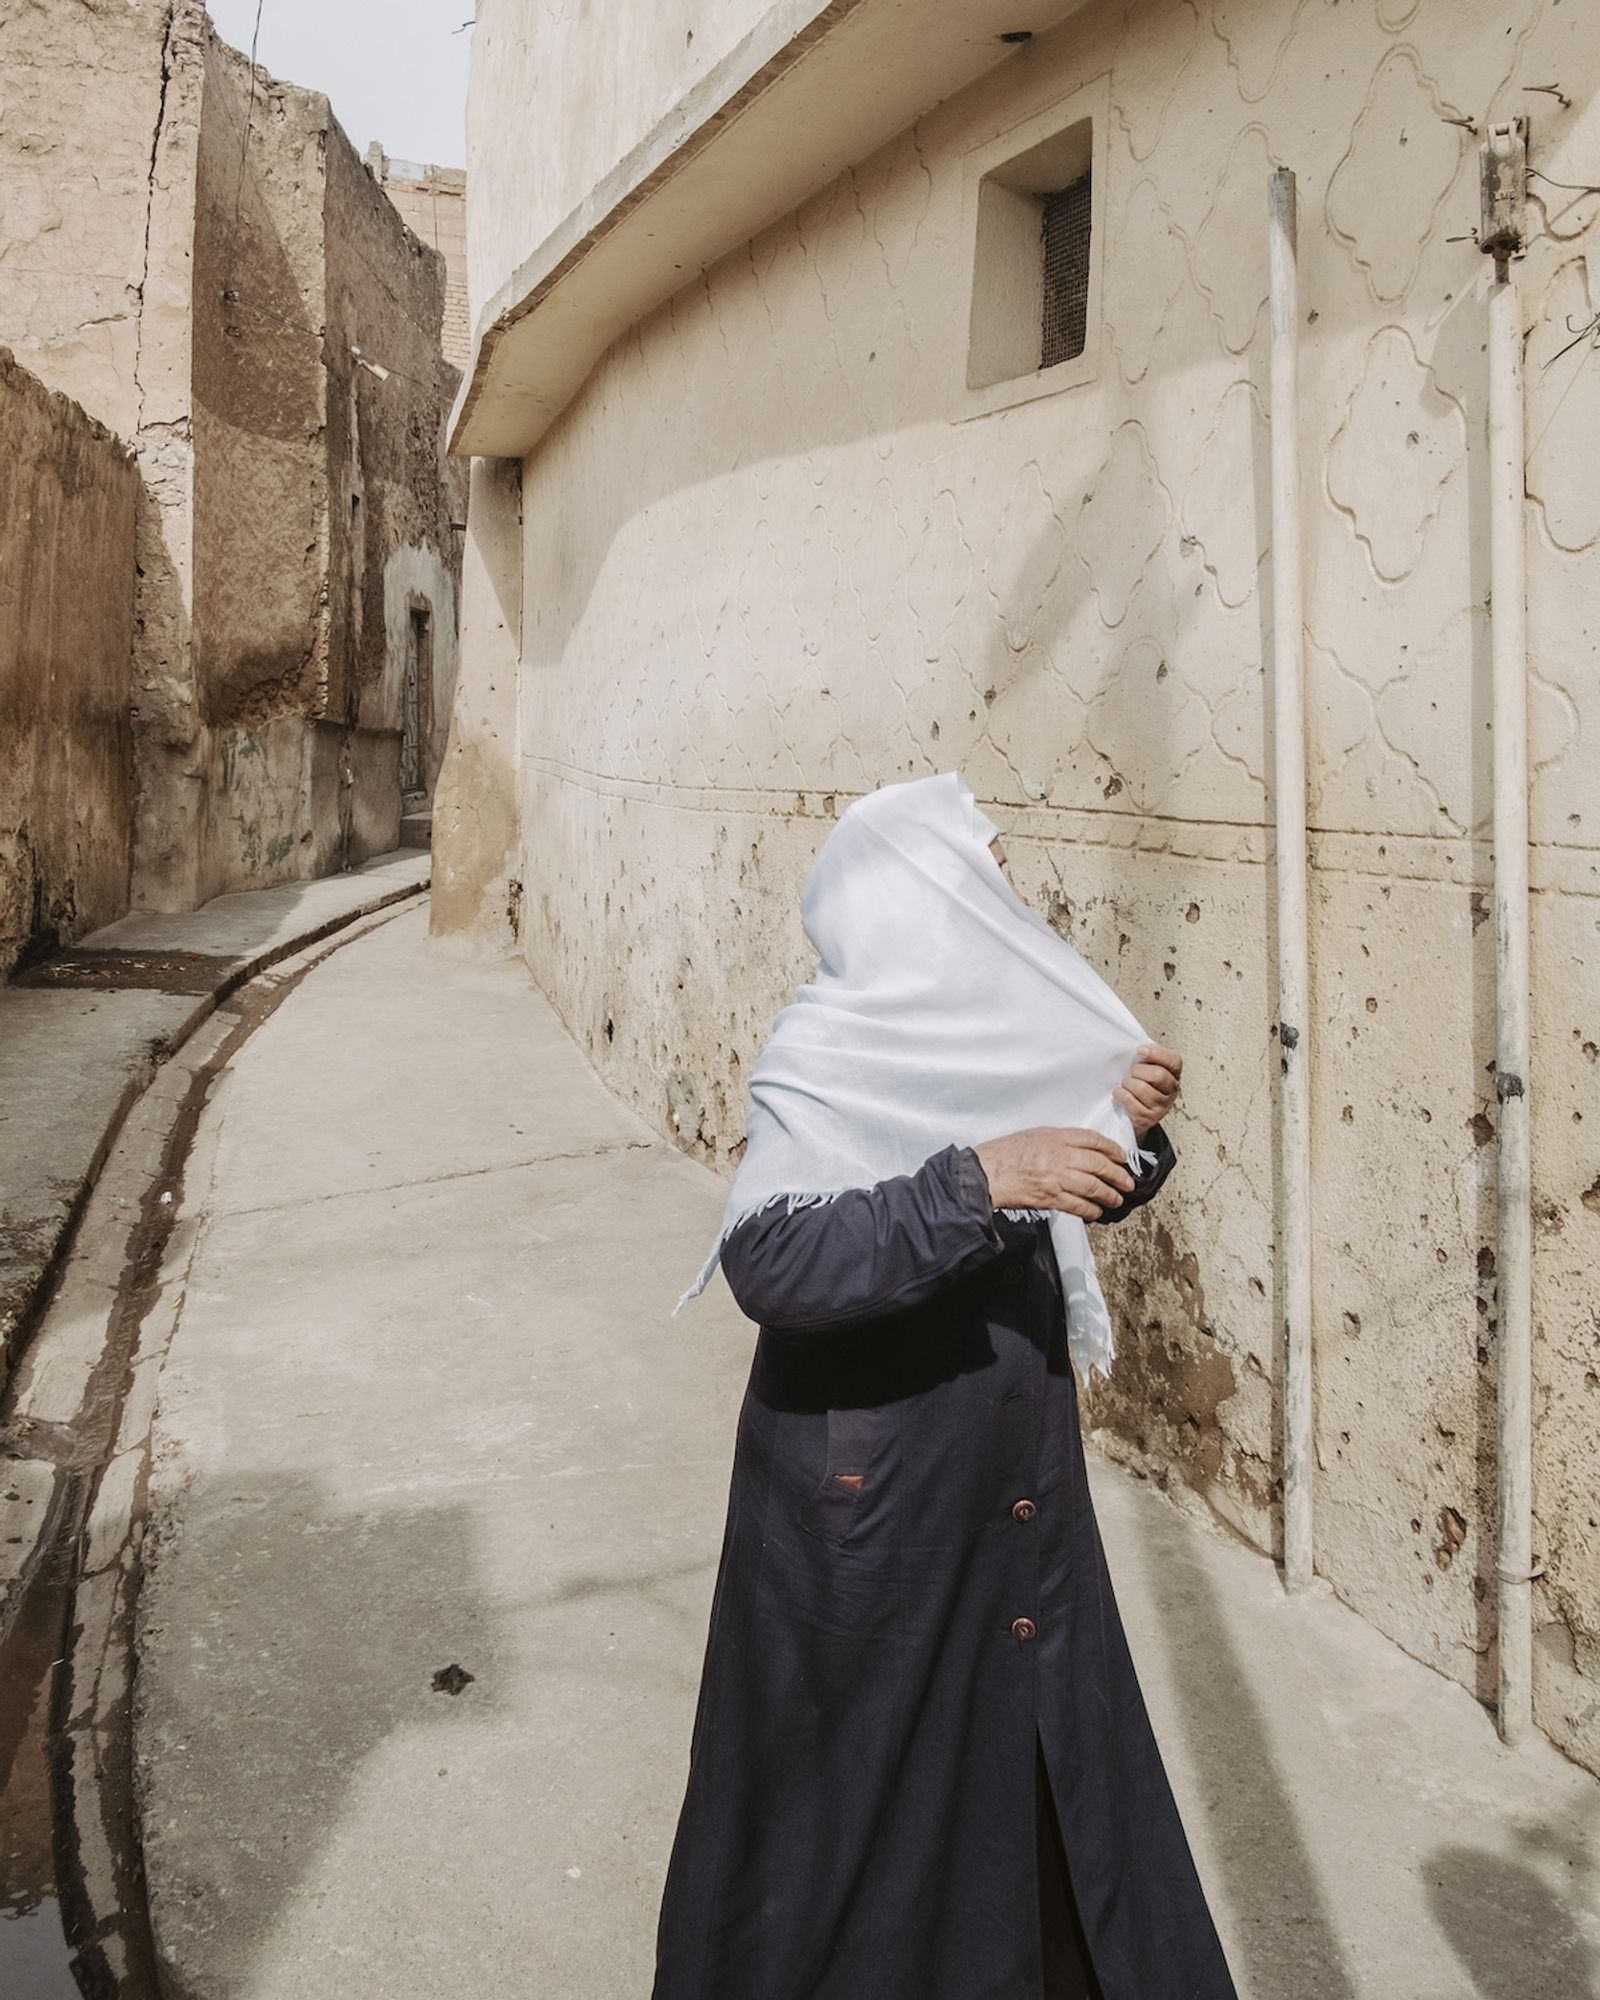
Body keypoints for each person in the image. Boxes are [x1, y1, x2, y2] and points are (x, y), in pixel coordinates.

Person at [656, 772, 1237, 2000]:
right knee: (852, 1840)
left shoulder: (995, 1031)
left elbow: (1070, 1181)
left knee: (1032, 1793)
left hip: (1009, 1489)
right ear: (915, 894)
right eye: (985, 866)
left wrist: (1124, 1127)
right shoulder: (828, 1046)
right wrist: (976, 1181)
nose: (1006, 888)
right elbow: (773, 1260)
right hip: (872, 1520)